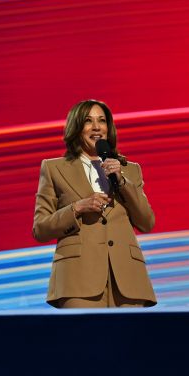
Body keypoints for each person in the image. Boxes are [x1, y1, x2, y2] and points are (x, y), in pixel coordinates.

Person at [32, 99, 157, 308]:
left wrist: (122, 181)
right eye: (88, 121)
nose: (97, 127)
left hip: (127, 281)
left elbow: (147, 222)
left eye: (102, 121)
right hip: (78, 280)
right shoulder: (54, 168)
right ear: (76, 128)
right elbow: (40, 228)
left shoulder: (130, 169)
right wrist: (76, 208)